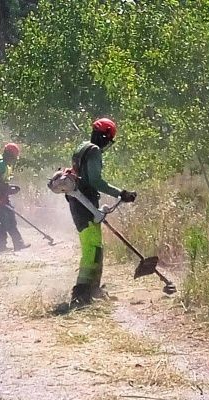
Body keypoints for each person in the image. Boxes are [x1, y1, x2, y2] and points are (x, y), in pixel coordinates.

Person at [66, 118, 137, 307]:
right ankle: (80, 293)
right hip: (85, 204)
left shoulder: (82, 147)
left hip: (77, 202)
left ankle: (93, 290)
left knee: (96, 248)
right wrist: (121, 193)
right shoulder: (94, 151)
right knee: (91, 250)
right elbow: (96, 181)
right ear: (105, 137)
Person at [0, 142, 27, 253]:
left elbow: (1, 181)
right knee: (8, 218)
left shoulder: (3, 162)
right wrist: (4, 194)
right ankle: (17, 243)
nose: (14, 160)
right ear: (8, 154)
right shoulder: (0, 163)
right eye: (13, 157)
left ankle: (1, 246)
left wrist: (9, 188)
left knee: (2, 219)